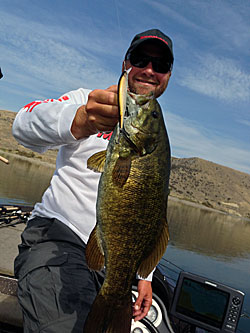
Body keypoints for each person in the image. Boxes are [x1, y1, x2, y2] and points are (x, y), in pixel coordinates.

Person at [12, 28, 174, 332]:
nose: (150, 70)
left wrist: (145, 277)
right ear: (126, 63)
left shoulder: (156, 137)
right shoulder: (84, 100)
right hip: (57, 236)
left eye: (161, 65)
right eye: (141, 59)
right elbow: (22, 125)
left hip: (112, 261)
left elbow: (148, 212)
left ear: (167, 76)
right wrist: (81, 119)